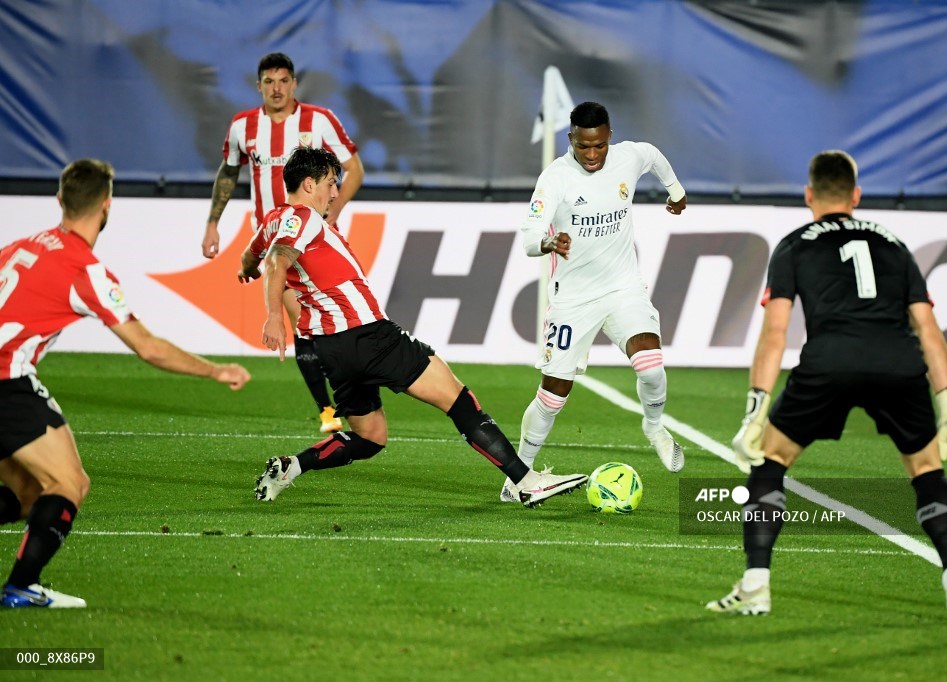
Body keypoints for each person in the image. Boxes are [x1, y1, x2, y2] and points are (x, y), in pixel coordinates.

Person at [707, 150, 947, 623]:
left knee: (770, 458)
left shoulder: (794, 244)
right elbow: (929, 329)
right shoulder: (894, 245)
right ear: (855, 195)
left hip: (830, 361)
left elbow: (776, 334)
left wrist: (756, 407)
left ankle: (756, 584)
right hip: (898, 362)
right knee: (925, 466)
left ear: (809, 194)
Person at [239, 146, 587, 508]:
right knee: (459, 400)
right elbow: (278, 260)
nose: (336, 191)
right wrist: (275, 316)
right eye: (330, 182)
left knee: (370, 438)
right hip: (366, 334)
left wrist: (247, 269)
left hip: (333, 350)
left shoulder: (273, 221)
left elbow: (254, 255)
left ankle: (291, 467)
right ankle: (526, 482)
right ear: (309, 184)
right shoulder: (304, 218)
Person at [0, 159, 251, 609]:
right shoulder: (85, 269)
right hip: (6, 380)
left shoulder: (20, 246)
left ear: (60, 200)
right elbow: (148, 348)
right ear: (107, 206)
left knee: (27, 494)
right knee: (68, 483)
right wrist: (215, 371)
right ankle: (21, 587)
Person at [503, 101, 687, 502]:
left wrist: (676, 191)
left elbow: (654, 155)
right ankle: (518, 474)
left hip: (623, 288)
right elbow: (528, 234)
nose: (591, 155)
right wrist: (549, 241)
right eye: (583, 146)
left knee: (651, 366)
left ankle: (654, 427)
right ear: (571, 139)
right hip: (574, 299)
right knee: (553, 396)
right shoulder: (555, 178)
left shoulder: (627, 157)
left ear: (609, 138)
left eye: (599, 146)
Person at [201, 51, 364, 434]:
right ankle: (327, 411)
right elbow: (228, 172)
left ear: (294, 84)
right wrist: (213, 222)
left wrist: (334, 213)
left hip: (320, 240)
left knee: (339, 323)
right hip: (278, 245)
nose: (277, 89)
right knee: (303, 327)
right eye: (269, 82)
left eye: (283, 80)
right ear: (259, 86)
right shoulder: (243, 126)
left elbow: (353, 168)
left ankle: (353, 395)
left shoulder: (319, 120)